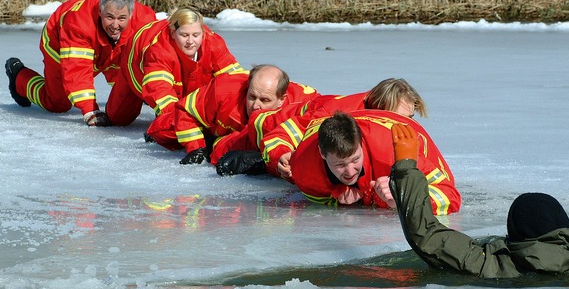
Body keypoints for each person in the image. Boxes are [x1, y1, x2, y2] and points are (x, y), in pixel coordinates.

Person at [390, 126, 569, 277]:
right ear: (565, 230)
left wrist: (406, 168)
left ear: (512, 233)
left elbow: (424, 233)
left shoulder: (485, 264)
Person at [5, 0, 156, 126]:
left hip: (109, 50)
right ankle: (19, 77)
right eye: (110, 17)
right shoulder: (78, 25)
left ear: (131, 14)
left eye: (121, 18)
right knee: (58, 103)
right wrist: (90, 110)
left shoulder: (145, 22)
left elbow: (156, 59)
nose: (115, 25)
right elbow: (77, 70)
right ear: (100, 12)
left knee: (127, 80)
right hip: (60, 45)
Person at [214, 77, 427, 176]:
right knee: (219, 152)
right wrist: (280, 155)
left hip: (295, 119)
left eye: (409, 117)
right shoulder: (337, 116)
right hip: (265, 127)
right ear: (379, 109)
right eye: (397, 118)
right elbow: (281, 134)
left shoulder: (377, 116)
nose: (404, 124)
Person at [104, 7, 246, 147]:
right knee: (118, 118)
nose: (191, 41)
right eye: (184, 35)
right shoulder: (159, 50)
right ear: (173, 33)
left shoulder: (213, 43)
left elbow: (235, 79)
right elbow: (159, 91)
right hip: (134, 67)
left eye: (196, 35)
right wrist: (184, 123)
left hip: (185, 75)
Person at [287, 110, 461, 215]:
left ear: (361, 144)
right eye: (340, 165)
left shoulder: (394, 154)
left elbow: (451, 196)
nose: (349, 171)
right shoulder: (304, 167)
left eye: (355, 159)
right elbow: (315, 193)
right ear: (322, 154)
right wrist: (338, 193)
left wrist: (403, 197)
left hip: (405, 132)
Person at [173, 64, 318, 165]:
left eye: (264, 100)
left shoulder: (302, 104)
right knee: (165, 130)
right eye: (252, 97)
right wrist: (196, 147)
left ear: (282, 100)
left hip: (230, 137)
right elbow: (184, 110)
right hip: (193, 125)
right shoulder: (223, 90)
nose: (256, 105)